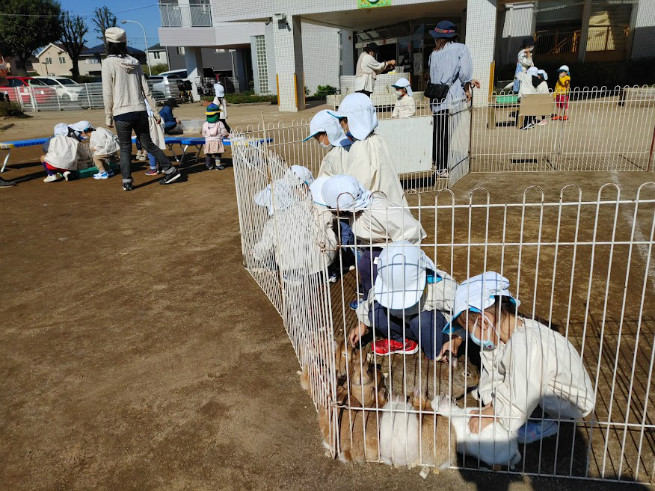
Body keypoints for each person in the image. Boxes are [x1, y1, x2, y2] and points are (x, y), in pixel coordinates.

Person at [440, 272, 595, 444]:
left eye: (469, 330)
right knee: (498, 383)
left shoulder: (528, 343)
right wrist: (491, 404)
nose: (470, 335)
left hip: (565, 401)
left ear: (484, 322)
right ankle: (509, 411)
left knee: (515, 416)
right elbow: (493, 372)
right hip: (532, 384)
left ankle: (543, 423)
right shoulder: (501, 334)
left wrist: (493, 413)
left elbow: (525, 393)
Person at [310, 174, 425, 310]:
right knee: (365, 266)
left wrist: (396, 255)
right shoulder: (356, 212)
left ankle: (382, 306)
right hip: (376, 245)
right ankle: (369, 300)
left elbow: (412, 231)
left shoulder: (380, 211)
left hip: (394, 248)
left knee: (377, 272)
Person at [101, 27, 180, 190]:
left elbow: (107, 92)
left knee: (125, 148)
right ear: (124, 43)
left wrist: (108, 116)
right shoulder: (135, 62)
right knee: (148, 143)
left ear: (109, 43)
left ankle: (127, 182)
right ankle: (170, 169)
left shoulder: (108, 63)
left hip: (121, 113)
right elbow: (146, 90)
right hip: (140, 110)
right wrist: (155, 112)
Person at [348, 241, 458, 357]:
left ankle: (438, 352)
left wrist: (457, 338)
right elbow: (373, 296)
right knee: (376, 311)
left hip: (430, 327)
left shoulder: (441, 287)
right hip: (406, 321)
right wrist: (363, 324)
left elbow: (466, 313)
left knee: (421, 321)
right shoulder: (390, 277)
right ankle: (403, 342)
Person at [329, 93, 408, 207]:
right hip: (393, 204)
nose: (345, 129)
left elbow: (357, 184)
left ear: (352, 120)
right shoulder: (378, 140)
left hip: (375, 212)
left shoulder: (359, 147)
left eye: (344, 125)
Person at [428, 21, 479, 177]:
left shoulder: (433, 54)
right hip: (452, 97)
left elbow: (431, 75)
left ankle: (436, 162)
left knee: (437, 131)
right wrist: (467, 88)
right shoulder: (460, 49)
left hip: (436, 97)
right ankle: (442, 167)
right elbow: (464, 73)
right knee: (447, 133)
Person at [303, 110, 352, 178]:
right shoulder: (354, 145)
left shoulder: (330, 158)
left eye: (318, 139)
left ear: (328, 132)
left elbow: (322, 183)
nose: (319, 143)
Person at [202, 103, 230, 170]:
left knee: (208, 154)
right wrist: (228, 135)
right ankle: (218, 165)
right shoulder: (220, 123)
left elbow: (203, 133)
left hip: (208, 141)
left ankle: (208, 165)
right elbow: (224, 133)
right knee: (217, 154)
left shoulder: (205, 124)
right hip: (217, 141)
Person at [144, 98, 166, 176]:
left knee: (150, 146)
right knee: (156, 146)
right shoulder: (151, 99)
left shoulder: (144, 101)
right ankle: (161, 166)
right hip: (156, 121)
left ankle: (154, 168)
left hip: (150, 122)